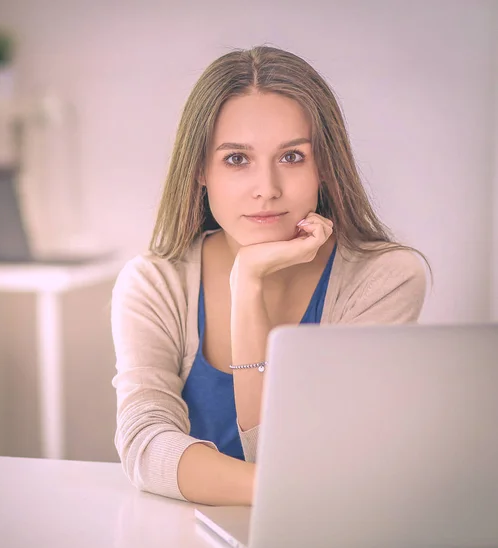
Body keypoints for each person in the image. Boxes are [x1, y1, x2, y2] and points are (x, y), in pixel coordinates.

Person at [110, 45, 429, 507]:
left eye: (293, 157)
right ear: (201, 169)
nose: (267, 189)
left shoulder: (384, 280)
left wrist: (247, 284)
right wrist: (282, 490)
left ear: (325, 166)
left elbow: (301, 455)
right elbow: (144, 445)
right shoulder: (155, 284)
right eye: (237, 159)